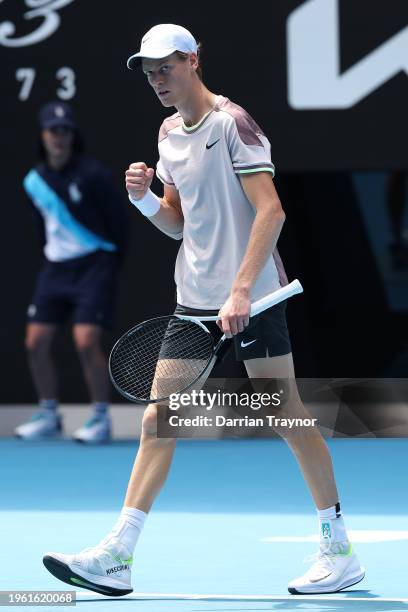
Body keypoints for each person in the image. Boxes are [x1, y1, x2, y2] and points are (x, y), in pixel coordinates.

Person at [42, 25, 365, 594]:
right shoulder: (168, 133)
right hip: (192, 303)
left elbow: (272, 212)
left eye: (166, 68)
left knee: (285, 415)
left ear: (194, 61)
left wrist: (241, 290)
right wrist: (144, 199)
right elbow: (178, 224)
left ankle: (338, 550)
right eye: (148, 72)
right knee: (157, 419)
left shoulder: (233, 124)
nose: (157, 80)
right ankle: (118, 554)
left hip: (255, 296)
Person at [15, 101, 127, 444]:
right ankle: (48, 413)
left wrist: (109, 263)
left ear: (72, 136)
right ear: (43, 135)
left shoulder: (93, 174)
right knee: (35, 343)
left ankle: (100, 418)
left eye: (65, 131)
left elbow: (119, 223)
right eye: (53, 131)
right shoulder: (34, 181)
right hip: (55, 269)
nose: (59, 138)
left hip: (93, 264)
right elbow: (42, 227)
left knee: (86, 341)